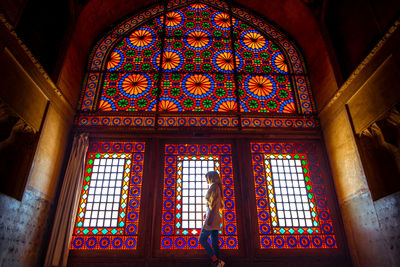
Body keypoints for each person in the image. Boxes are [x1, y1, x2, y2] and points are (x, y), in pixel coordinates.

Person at [199, 171, 225, 267]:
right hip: (216, 217)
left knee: (202, 239)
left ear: (211, 178)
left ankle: (216, 261)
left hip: (212, 218)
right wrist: (207, 214)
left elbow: (213, 205)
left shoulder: (214, 186)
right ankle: (220, 263)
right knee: (214, 242)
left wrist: (209, 218)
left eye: (207, 178)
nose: (206, 180)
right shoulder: (217, 187)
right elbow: (214, 205)